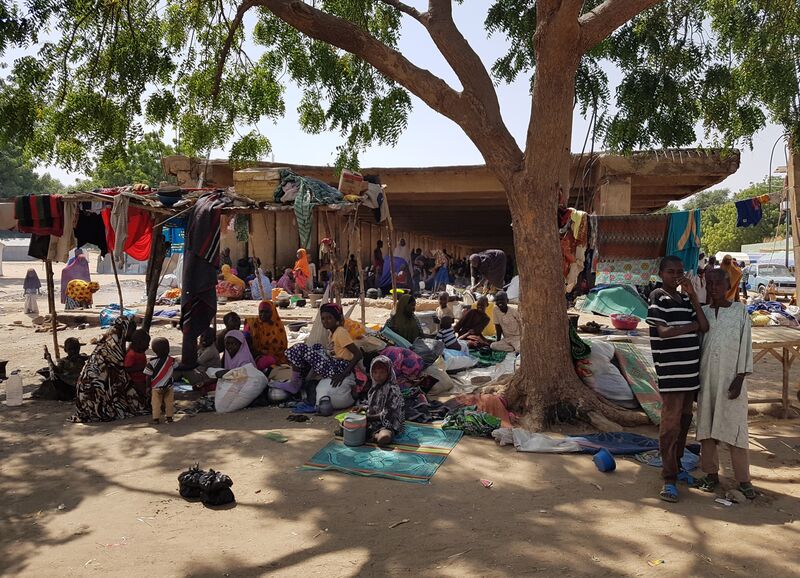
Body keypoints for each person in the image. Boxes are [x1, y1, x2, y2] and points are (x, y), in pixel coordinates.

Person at [646, 255, 709, 503]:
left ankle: (678, 465)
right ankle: (669, 478)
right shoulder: (657, 297)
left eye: (680, 272)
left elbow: (704, 325)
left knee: (684, 422)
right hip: (671, 372)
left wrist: (693, 297)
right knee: (670, 425)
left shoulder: (684, 300)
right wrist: (691, 327)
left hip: (689, 373)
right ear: (661, 273)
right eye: (671, 272)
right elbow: (664, 332)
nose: (676, 276)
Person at [693, 268, 756, 499]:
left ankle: (743, 479)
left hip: (731, 381)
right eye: (709, 283)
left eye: (718, 284)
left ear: (728, 285)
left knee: (736, 429)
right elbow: (697, 347)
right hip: (706, 379)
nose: (713, 288)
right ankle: (711, 474)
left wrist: (740, 378)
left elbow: (746, 346)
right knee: (706, 429)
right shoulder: (704, 313)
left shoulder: (740, 312)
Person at [72, 317, 148, 422]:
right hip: (94, 395)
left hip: (86, 399)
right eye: (132, 330)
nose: (134, 332)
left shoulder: (108, 345)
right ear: (124, 331)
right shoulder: (111, 351)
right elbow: (122, 373)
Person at [285, 303, 363, 392]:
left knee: (300, 348)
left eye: (329, 318)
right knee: (316, 347)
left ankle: (294, 383)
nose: (325, 321)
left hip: (341, 367)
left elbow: (358, 354)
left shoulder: (340, 332)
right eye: (323, 318)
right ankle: (300, 379)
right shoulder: (333, 332)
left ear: (336, 319)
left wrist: (343, 374)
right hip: (336, 363)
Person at [363, 355, 405, 446]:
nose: (378, 375)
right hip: (372, 421)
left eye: (382, 372)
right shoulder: (374, 388)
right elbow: (373, 405)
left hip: (388, 423)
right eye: (375, 372)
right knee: (348, 423)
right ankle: (369, 434)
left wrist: (368, 418)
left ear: (388, 372)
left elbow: (389, 413)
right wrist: (362, 408)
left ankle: (372, 435)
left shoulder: (392, 389)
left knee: (384, 438)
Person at [244, 300, 288, 371]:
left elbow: (281, 349)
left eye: (266, 312)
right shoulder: (252, 324)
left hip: (275, 358)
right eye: (261, 312)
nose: (263, 315)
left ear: (272, 312)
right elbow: (244, 340)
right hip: (254, 356)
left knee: (268, 361)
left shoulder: (278, 327)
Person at [145, 337, 176, 424]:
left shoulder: (151, 363)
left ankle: (156, 418)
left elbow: (148, 376)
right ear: (168, 349)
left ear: (154, 350)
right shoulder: (172, 361)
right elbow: (177, 367)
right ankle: (169, 417)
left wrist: (148, 387)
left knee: (155, 403)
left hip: (156, 387)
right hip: (169, 386)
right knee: (169, 403)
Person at [125, 329, 151, 400]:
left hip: (143, 378)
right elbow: (126, 369)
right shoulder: (131, 355)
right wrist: (140, 368)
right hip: (136, 381)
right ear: (140, 343)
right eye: (147, 343)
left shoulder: (140, 352)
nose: (148, 346)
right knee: (145, 394)